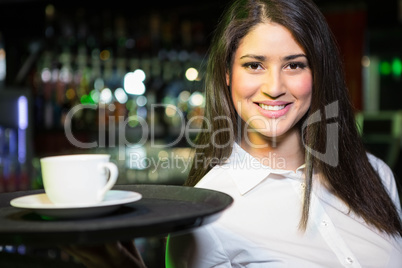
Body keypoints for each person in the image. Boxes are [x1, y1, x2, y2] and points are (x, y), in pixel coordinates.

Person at [66, 0, 402, 267]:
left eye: (294, 65)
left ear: (318, 72)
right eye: (254, 65)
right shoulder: (206, 214)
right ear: (227, 75)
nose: (274, 87)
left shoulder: (375, 175)